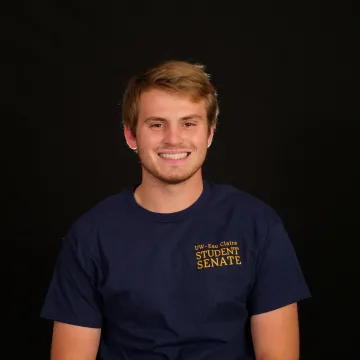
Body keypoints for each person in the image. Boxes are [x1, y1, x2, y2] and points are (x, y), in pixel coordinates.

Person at [41, 60, 311, 360]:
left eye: (189, 123)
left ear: (209, 133)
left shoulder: (257, 225)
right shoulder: (90, 236)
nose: (173, 139)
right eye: (157, 124)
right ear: (131, 135)